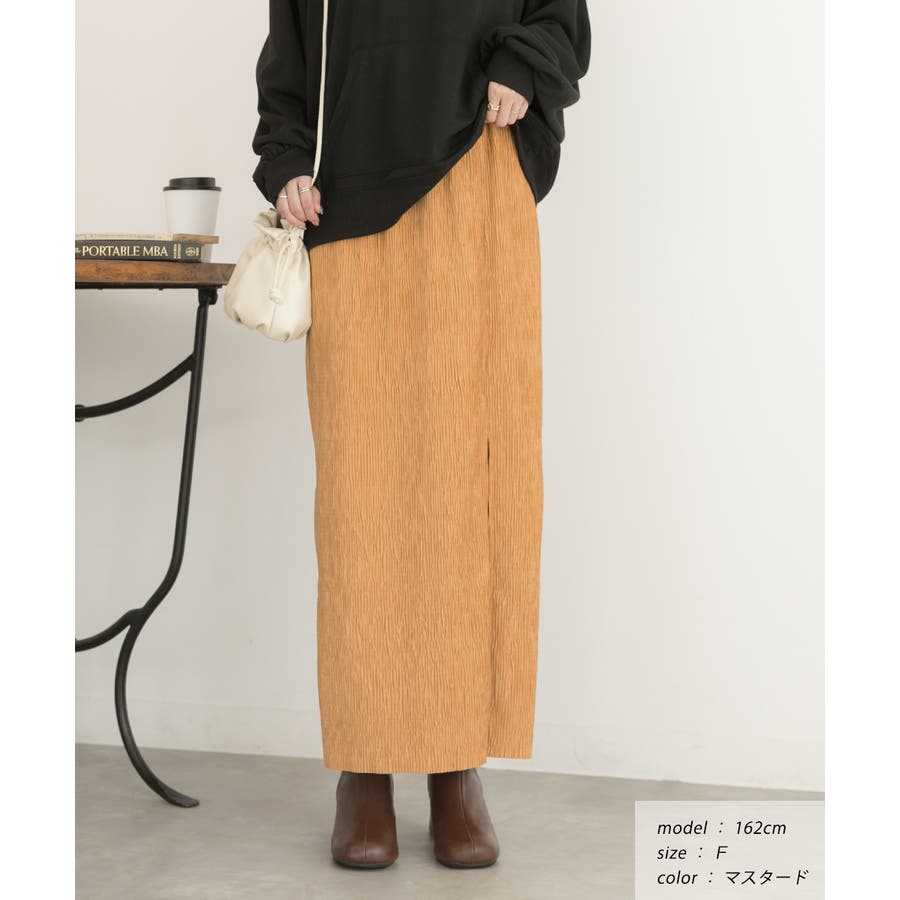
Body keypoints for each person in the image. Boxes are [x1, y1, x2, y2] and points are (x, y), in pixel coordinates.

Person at [251, 0, 590, 870]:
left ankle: (455, 766)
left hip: (479, 172)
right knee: (363, 497)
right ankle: (364, 768)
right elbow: (291, 45)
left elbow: (560, 12)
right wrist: (285, 157)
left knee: (472, 484)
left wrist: (521, 64)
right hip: (351, 198)